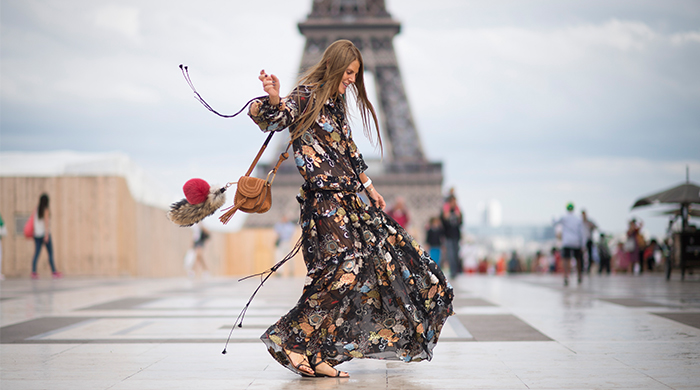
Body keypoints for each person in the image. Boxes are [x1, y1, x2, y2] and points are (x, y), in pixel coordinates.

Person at [247, 40, 453, 378]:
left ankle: (318, 352)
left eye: (356, 76)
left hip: (348, 200)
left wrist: (369, 188)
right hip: (323, 201)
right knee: (343, 268)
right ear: (335, 65)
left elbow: (348, 149)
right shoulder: (306, 94)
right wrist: (272, 96)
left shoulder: (337, 101)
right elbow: (276, 119)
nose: (351, 80)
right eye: (349, 73)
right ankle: (292, 339)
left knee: (354, 271)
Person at [31, 193, 62, 279]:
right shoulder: (46, 209)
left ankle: (33, 272)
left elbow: (34, 222)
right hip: (44, 235)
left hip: (36, 235)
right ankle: (54, 272)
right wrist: (46, 235)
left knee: (36, 253)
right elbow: (46, 223)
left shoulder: (37, 209)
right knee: (50, 253)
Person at [553, 202, 585, 286]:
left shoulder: (564, 217)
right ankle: (579, 275)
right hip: (576, 241)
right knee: (578, 259)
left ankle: (566, 276)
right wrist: (583, 244)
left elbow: (554, 222)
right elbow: (582, 232)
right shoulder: (578, 219)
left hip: (566, 241)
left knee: (566, 259)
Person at [440, 195, 463, 279]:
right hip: (448, 235)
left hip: (456, 235)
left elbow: (461, 223)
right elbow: (442, 223)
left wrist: (458, 216)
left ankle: (455, 270)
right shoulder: (445, 211)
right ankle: (453, 271)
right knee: (450, 254)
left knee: (456, 253)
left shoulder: (458, 211)